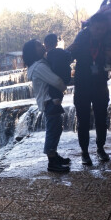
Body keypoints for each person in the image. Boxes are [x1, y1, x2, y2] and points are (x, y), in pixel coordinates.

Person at [67, 13, 111, 165]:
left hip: (101, 85)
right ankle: (84, 152)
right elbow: (69, 56)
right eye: (97, 29)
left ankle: (100, 148)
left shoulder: (108, 39)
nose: (100, 31)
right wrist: (68, 51)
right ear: (90, 26)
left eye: (103, 29)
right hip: (82, 85)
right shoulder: (81, 38)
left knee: (102, 119)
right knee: (83, 121)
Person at [22, 39, 69, 172]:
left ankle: (54, 155)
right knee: (53, 131)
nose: (41, 45)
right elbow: (56, 81)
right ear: (33, 51)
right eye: (37, 45)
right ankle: (52, 162)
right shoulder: (39, 67)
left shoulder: (40, 64)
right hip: (50, 102)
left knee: (56, 129)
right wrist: (63, 87)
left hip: (49, 101)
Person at [82, 0, 111, 70]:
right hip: (83, 75)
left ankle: (108, 63)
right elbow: (96, 15)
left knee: (109, 46)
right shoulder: (106, 7)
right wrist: (87, 22)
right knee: (82, 34)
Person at [44, 33, 73, 115]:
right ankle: (58, 101)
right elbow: (69, 56)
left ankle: (56, 101)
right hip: (66, 77)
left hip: (56, 78)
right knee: (58, 92)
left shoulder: (49, 55)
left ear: (45, 45)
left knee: (53, 90)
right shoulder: (61, 51)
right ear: (56, 43)